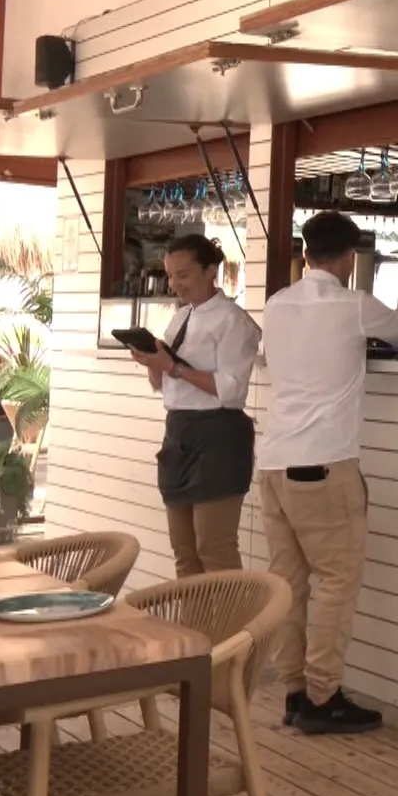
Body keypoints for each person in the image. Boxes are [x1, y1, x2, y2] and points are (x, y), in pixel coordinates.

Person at [258, 212, 398, 734]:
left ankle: (294, 691)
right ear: (351, 257)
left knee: (289, 584)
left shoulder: (277, 304)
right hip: (325, 465)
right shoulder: (355, 305)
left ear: (306, 253)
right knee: (336, 581)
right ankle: (322, 696)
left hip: (274, 463)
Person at [130, 235, 262, 577]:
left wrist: (174, 368)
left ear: (211, 272)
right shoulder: (180, 317)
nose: (174, 284)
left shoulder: (234, 321)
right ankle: (192, 615)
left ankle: (232, 615)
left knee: (214, 548)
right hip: (178, 431)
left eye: (183, 275)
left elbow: (231, 390)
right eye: (170, 275)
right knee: (184, 551)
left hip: (220, 433)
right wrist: (153, 364)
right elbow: (163, 385)